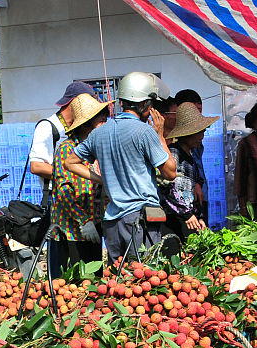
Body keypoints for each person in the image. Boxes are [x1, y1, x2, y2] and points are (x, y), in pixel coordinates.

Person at [65, 71, 177, 262]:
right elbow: (170, 172)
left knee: (119, 282)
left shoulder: (99, 133)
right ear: (144, 104)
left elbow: (70, 162)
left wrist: (102, 179)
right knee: (144, 280)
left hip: (112, 223)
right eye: (151, 105)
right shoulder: (145, 132)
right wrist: (160, 136)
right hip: (140, 222)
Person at [26, 80, 96, 276]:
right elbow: (36, 165)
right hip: (58, 202)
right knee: (64, 271)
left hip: (79, 206)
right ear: (74, 103)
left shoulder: (77, 132)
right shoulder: (49, 127)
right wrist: (71, 172)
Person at [52, 94, 110, 267]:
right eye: (101, 120)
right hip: (72, 230)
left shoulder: (97, 149)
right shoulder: (67, 149)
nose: (105, 123)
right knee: (74, 283)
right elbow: (63, 192)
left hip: (96, 226)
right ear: (87, 124)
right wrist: (84, 220)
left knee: (94, 283)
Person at [161, 104, 220, 239]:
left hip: (188, 218)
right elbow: (169, 189)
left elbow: (191, 194)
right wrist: (187, 214)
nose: (202, 136)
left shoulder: (191, 155)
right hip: (175, 220)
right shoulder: (175, 153)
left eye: (203, 131)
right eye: (199, 132)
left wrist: (198, 216)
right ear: (188, 133)